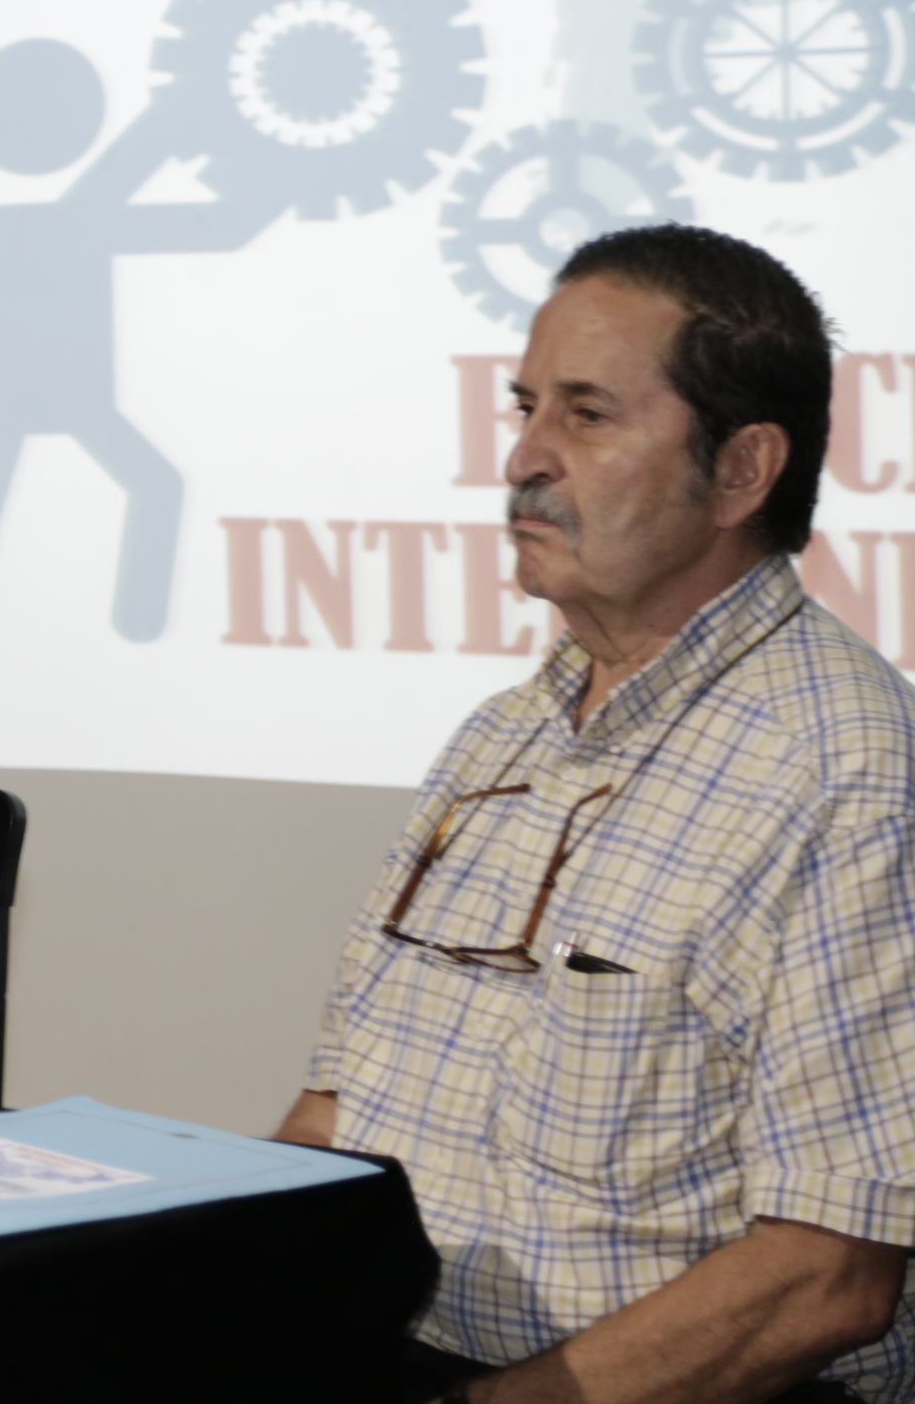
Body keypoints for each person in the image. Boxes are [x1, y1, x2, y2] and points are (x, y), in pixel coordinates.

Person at [277, 226, 915, 1403]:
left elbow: (827, 1274)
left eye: (587, 415)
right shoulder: (502, 736)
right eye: (527, 409)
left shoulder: (850, 774)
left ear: (742, 471)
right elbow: (338, 1111)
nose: (526, 456)